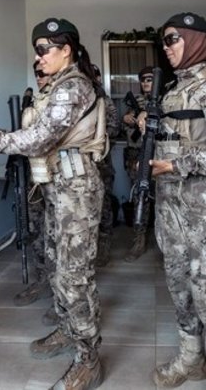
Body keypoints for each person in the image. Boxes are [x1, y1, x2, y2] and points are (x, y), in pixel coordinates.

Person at [0, 17, 106, 390]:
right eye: (37, 49)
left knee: (75, 276)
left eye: (45, 49)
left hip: (77, 191)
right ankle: (67, 329)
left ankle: (88, 358)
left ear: (67, 50)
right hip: (56, 188)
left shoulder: (73, 86)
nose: (38, 56)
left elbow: (39, 138)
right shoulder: (54, 87)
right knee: (57, 265)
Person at [144, 12, 206, 389]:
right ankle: (191, 359)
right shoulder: (172, 90)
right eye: (164, 41)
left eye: (173, 39)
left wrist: (175, 163)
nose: (166, 48)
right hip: (173, 212)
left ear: (196, 39)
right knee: (180, 289)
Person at [13, 60, 54, 314]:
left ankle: (62, 298)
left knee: (58, 239)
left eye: (43, 73)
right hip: (33, 178)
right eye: (36, 74)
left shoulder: (63, 101)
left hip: (56, 178)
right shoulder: (35, 103)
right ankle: (43, 280)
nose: (39, 78)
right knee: (35, 231)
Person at [122, 66, 155, 262]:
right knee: (139, 198)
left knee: (161, 200)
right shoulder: (136, 101)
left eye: (150, 79)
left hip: (156, 157)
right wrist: (127, 118)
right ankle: (139, 240)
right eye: (143, 79)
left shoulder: (162, 101)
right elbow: (123, 123)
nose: (146, 83)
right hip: (136, 156)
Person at [91, 64, 120, 267]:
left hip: (102, 163)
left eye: (95, 76)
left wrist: (97, 137)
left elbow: (114, 128)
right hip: (84, 164)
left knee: (105, 205)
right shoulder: (83, 101)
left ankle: (105, 244)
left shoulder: (105, 101)